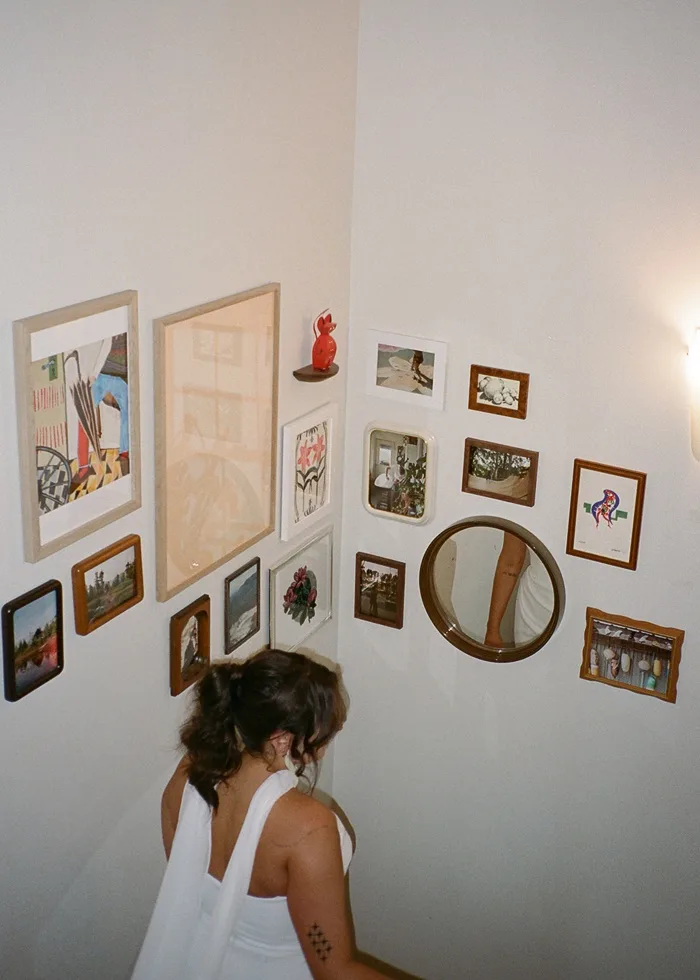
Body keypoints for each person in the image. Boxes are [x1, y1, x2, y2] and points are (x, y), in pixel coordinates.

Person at [131, 648, 400, 980]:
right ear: (283, 739)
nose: (327, 745)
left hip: (196, 961)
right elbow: (335, 968)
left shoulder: (188, 777)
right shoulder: (310, 828)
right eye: (324, 733)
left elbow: (191, 886)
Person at [484, 532, 554, 648]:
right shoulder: (526, 512)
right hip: (532, 612)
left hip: (583, 614)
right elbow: (510, 561)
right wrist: (493, 629)